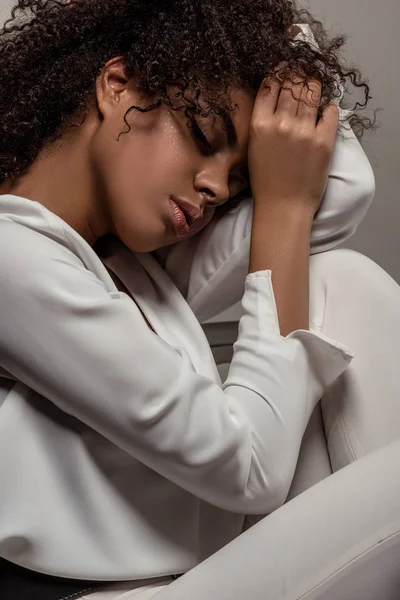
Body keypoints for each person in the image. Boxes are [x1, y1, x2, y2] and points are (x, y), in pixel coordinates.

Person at [1, 1, 400, 599]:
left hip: (219, 555)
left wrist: (283, 62)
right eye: (205, 136)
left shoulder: (131, 263)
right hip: (116, 594)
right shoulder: (11, 257)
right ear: (117, 84)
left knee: (342, 280)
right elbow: (254, 472)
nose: (216, 187)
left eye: (240, 178)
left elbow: (342, 187)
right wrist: (283, 205)